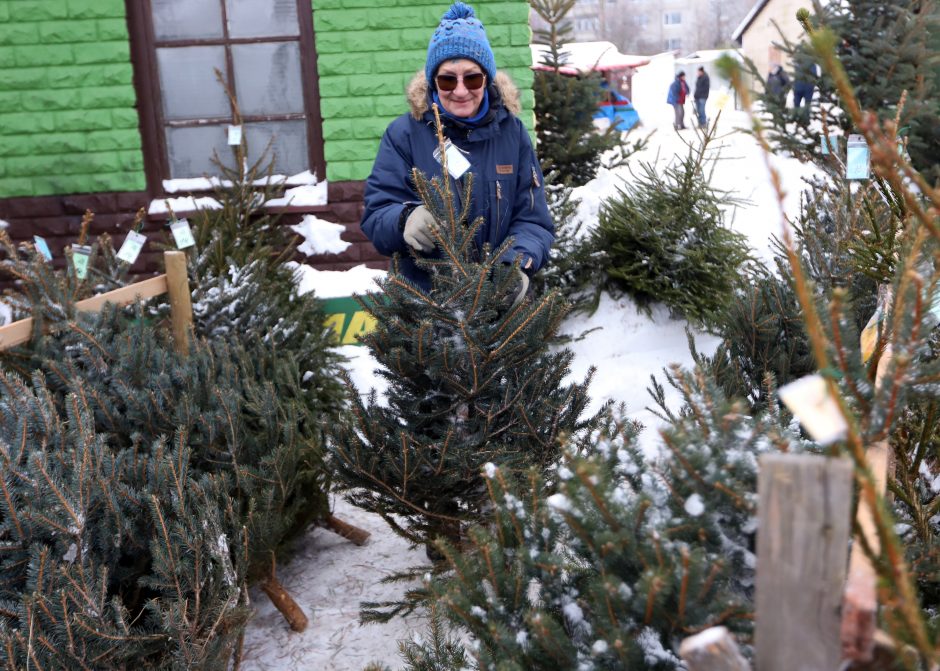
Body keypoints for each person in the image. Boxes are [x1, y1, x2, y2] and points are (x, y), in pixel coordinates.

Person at [361, 1, 553, 303]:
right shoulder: (403, 135)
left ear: (487, 79)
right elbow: (376, 215)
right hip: (426, 313)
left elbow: (533, 218)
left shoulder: (513, 134)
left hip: (497, 309)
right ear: (433, 82)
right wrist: (405, 219)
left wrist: (514, 266)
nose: (461, 90)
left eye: (472, 77)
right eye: (448, 78)